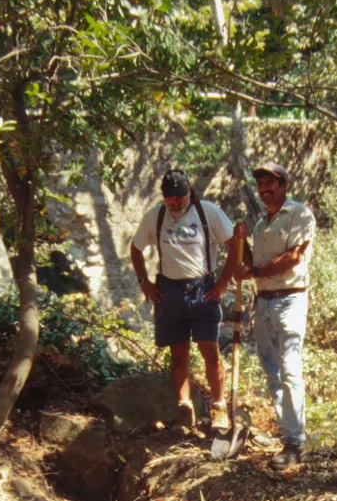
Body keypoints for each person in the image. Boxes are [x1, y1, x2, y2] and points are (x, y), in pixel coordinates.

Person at [131, 168, 241, 430]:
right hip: (169, 293)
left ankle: (218, 409)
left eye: (180, 196)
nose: (176, 202)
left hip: (203, 290)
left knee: (210, 351)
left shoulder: (207, 212)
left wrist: (224, 282)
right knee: (178, 354)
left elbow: (234, 244)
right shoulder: (155, 216)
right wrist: (143, 282)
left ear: (189, 191)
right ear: (164, 197)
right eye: (171, 198)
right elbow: (136, 249)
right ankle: (184, 411)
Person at [234, 162, 316, 472]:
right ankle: (288, 434)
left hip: (290, 300)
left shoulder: (299, 214)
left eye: (271, 183)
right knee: (272, 371)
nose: (265, 189)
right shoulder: (260, 223)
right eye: (261, 184)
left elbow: (293, 257)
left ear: (284, 185)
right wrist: (240, 242)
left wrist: (254, 270)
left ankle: (296, 443)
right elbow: (253, 263)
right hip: (264, 302)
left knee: (290, 370)